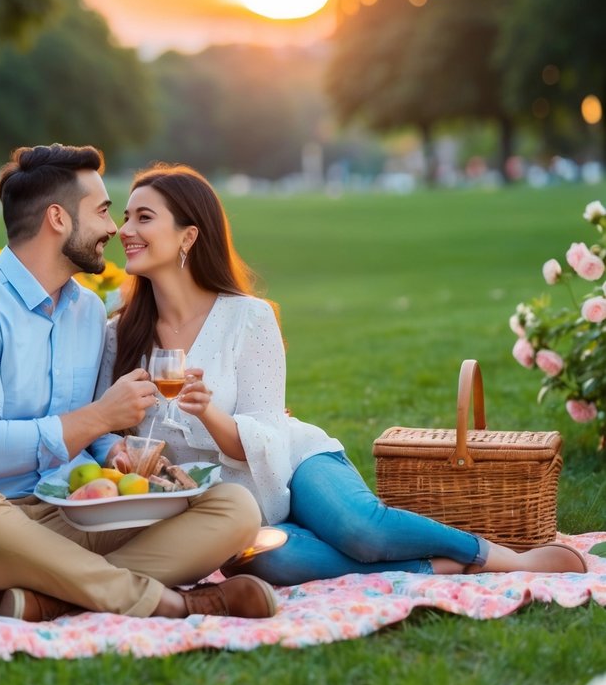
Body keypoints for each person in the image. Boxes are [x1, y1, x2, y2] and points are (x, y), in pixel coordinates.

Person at [98, 163, 587, 583]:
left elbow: (267, 427)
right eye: (125, 217)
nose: (126, 230)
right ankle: (435, 570)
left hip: (290, 461)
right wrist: (118, 451)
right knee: (267, 564)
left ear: (189, 235)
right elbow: (104, 432)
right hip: (223, 508)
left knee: (361, 531)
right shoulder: (120, 335)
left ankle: (505, 559)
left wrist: (208, 414)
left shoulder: (249, 318)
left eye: (144, 217)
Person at [0, 143, 278, 624]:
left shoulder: (86, 311)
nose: (113, 230)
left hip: (67, 515)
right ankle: (172, 603)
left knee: (233, 505)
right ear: (58, 219)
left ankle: (52, 599)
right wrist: (102, 416)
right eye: (102, 211)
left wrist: (110, 450)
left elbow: (84, 432)